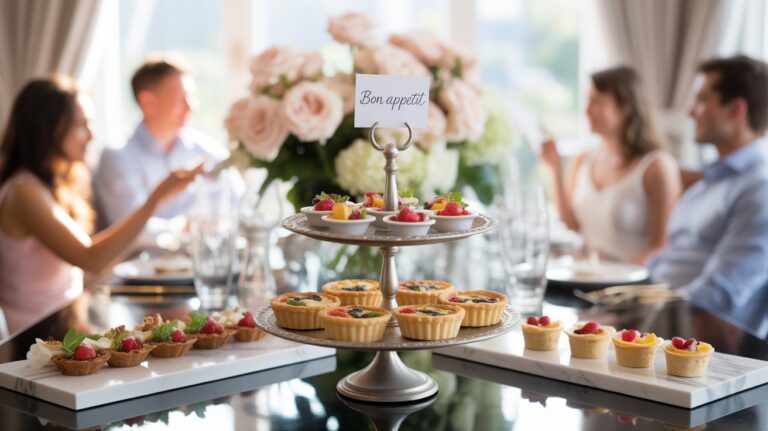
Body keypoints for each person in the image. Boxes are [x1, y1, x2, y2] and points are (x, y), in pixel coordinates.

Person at [0, 76, 201, 333]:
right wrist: (154, 200)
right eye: (80, 125)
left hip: (67, 321)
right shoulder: (24, 193)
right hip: (36, 335)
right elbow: (90, 258)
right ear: (48, 129)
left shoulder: (51, 185)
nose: (91, 135)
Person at [649, 55, 768, 338]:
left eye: (702, 100)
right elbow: (667, 260)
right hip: (663, 322)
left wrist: (637, 312)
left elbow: (719, 294)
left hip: (699, 344)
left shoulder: (759, 188)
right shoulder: (707, 183)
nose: (691, 112)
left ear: (736, 110)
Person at [541, 66, 682, 264]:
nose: (586, 110)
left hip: (630, 279)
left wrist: (616, 275)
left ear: (625, 108)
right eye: (587, 101)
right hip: (586, 274)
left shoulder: (657, 167)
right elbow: (571, 225)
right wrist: (555, 168)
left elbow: (660, 247)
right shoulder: (582, 159)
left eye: (596, 102)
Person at [93, 58, 228, 229]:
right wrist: (189, 227)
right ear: (148, 102)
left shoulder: (206, 150)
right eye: (182, 99)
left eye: (192, 97)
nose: (192, 107)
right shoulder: (117, 158)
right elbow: (129, 231)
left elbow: (236, 203)